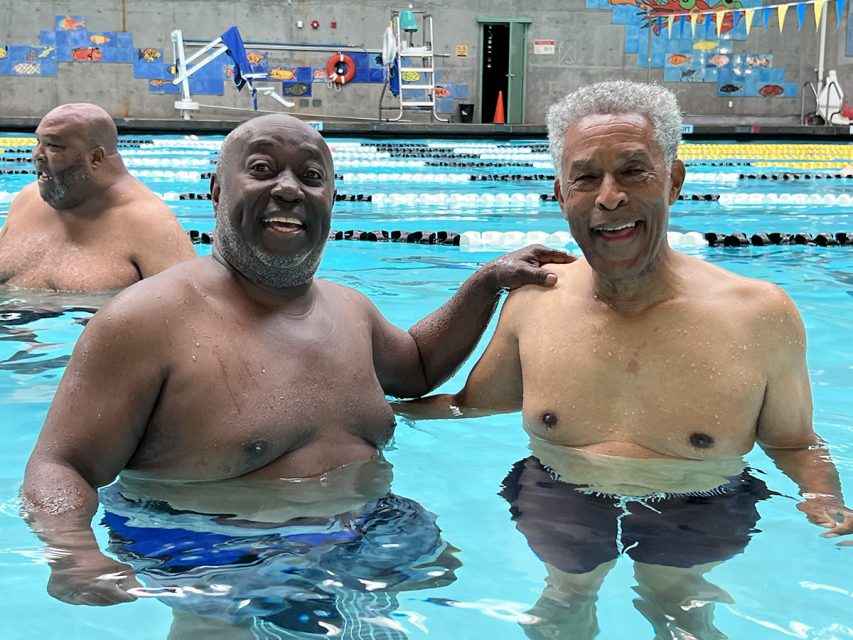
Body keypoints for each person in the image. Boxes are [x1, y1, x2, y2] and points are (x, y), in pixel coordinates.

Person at [20, 113, 572, 613]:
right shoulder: (144, 320)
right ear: (216, 190)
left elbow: (420, 369)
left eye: (310, 177)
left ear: (330, 199)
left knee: (441, 577)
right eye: (262, 170)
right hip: (209, 545)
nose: (288, 189)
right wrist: (73, 553)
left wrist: (486, 282)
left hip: (369, 526)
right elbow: (60, 464)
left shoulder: (349, 308)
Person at [400, 80, 851, 638]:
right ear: (562, 195)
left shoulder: (758, 314)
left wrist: (824, 498)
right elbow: (469, 407)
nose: (609, 197)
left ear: (675, 181)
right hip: (558, 487)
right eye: (586, 177)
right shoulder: (534, 301)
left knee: (679, 608)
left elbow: (795, 442)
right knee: (563, 599)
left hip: (703, 498)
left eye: (634, 171)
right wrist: (369, 415)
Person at [0, 103, 196, 291]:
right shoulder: (27, 199)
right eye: (38, 142)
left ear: (95, 158)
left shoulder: (149, 223)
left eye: (53, 145)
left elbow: (190, 313)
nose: (37, 155)